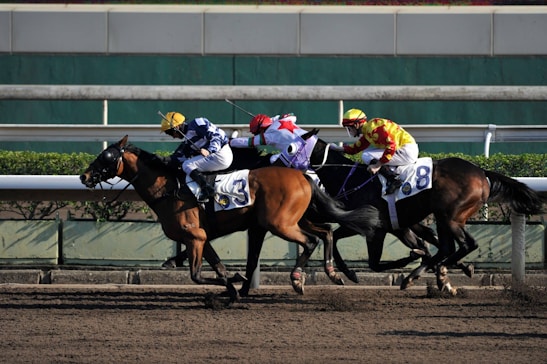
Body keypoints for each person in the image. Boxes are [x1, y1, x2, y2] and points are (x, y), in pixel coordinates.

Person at [331, 108, 419, 194]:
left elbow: (391, 146)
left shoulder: (374, 130)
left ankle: (393, 179)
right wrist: (339, 148)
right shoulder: (369, 130)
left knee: (366, 155)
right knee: (367, 153)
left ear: (356, 125)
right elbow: (356, 148)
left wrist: (377, 165)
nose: (349, 131)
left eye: (349, 128)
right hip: (404, 148)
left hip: (406, 151)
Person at [160, 111, 233, 203]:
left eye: (170, 133)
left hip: (221, 154)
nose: (173, 137)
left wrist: (210, 150)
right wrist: (159, 159)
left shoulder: (197, 123)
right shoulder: (187, 140)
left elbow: (217, 135)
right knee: (185, 163)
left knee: (187, 165)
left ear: (177, 127)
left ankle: (207, 189)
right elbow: (177, 158)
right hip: (217, 157)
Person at [229, 113, 308, 166]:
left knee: (272, 159)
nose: (257, 135)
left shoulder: (268, 136)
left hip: (299, 152)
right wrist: (272, 120)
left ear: (261, 129)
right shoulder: (286, 119)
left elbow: (247, 142)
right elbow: (293, 115)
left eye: (257, 133)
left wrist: (230, 142)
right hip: (310, 139)